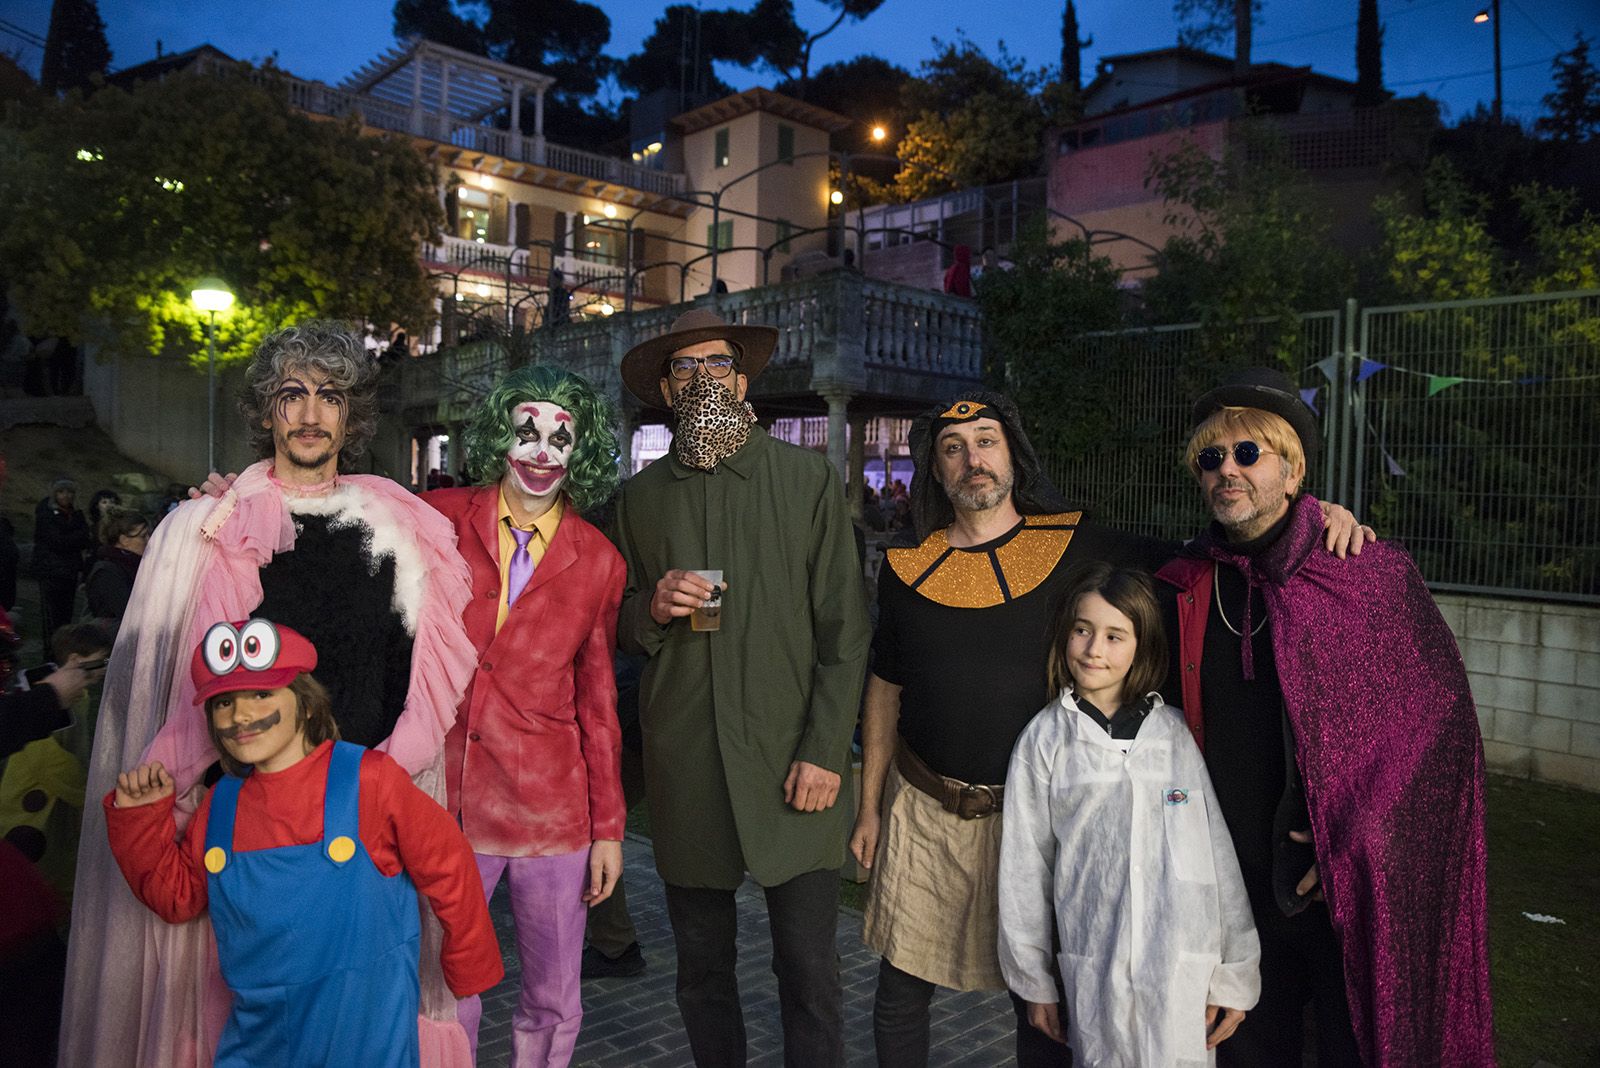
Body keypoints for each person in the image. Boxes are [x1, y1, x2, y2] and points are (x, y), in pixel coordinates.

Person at [851, 392, 1368, 1067]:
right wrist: (868, 807)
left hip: (1044, 818)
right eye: (953, 448)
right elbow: (884, 690)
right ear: (936, 470)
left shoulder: (1077, 543)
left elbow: (1211, 552)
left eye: (987, 440)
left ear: (1014, 454)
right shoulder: (904, 571)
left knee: (1046, 1004)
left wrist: (1309, 517)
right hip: (925, 808)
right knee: (899, 990)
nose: (972, 458)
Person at [62, 321, 478, 1068]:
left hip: (361, 832)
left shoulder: (397, 529)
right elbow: (160, 686)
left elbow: (410, 679)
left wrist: (385, 804)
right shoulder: (207, 528)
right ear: (266, 411)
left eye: (330, 396)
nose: (311, 414)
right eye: (292, 395)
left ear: (352, 417)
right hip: (245, 840)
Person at [1154, 367, 1494, 1067]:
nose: (1228, 472)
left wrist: (1356, 832)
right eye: (1212, 458)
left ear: (1293, 468)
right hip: (1232, 890)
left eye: (1250, 454)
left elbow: (1439, 738)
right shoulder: (1187, 581)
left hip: (1346, 897)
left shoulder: (1366, 571)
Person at [612, 308, 871, 1067]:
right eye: (685, 369)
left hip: (796, 764)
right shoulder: (641, 498)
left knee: (809, 972)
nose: (703, 380)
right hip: (689, 764)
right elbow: (615, 618)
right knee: (701, 976)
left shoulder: (804, 481)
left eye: (717, 364)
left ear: (743, 377)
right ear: (666, 388)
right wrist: (648, 610)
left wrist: (827, 751)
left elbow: (845, 633)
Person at [105, 619, 502, 1067]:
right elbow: (177, 898)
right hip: (259, 1042)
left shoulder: (368, 780)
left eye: (261, 694)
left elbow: (448, 862)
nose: (240, 715)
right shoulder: (222, 806)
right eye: (224, 702)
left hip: (366, 1037)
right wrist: (140, 819)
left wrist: (468, 962)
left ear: (307, 705)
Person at [422, 365, 627, 1067]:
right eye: (527, 433)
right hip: (448, 801)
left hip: (552, 812)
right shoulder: (440, 517)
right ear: (499, 436)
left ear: (583, 449)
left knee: (552, 993)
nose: (542, 453)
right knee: (446, 985)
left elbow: (600, 704)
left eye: (560, 439)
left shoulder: (600, 560)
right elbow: (336, 505)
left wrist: (608, 830)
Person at [999, 564, 1259, 1065]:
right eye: (1083, 630)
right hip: (1097, 962)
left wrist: (1238, 970)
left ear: (1142, 645)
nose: (1095, 648)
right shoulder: (1046, 740)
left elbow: (1216, 857)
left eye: (1115, 636)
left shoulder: (1175, 736)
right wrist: (1033, 981)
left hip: (1183, 966)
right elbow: (1023, 870)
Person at [32, 477, 92, 641]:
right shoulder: (46, 514)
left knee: (66, 614)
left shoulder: (75, 514)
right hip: (51, 571)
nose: (66, 496)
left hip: (69, 571)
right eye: (61, 492)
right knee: (52, 616)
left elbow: (83, 538)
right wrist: (76, 536)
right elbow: (58, 541)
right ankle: (51, 651)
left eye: (69, 492)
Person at [86, 507, 150, 623]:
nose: (149, 540)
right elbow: (127, 613)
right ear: (124, 540)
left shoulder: (138, 564)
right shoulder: (107, 572)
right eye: (143, 536)